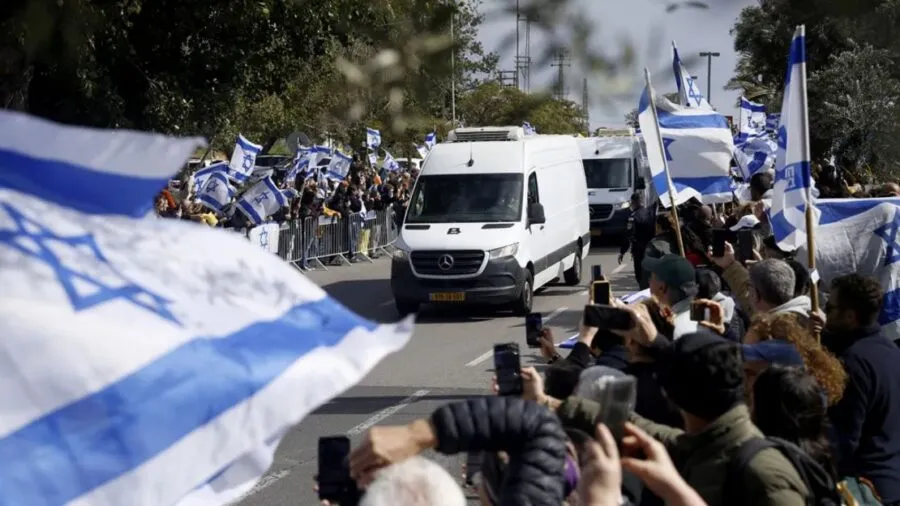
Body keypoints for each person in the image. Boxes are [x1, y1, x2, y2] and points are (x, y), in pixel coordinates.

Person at [822, 274, 900, 504]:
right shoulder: (890, 350)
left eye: (830, 307)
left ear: (850, 316)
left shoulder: (852, 365)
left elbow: (844, 439)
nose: (825, 312)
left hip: (868, 491)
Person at [642, 254, 699, 339]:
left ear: (662, 288)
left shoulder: (674, 330)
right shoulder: (708, 314)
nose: (649, 282)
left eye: (651, 278)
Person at [619, 192, 655, 289]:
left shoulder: (633, 217)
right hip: (652, 248)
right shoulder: (651, 213)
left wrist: (622, 252)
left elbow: (628, 235)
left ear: (633, 202)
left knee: (640, 275)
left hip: (639, 249)